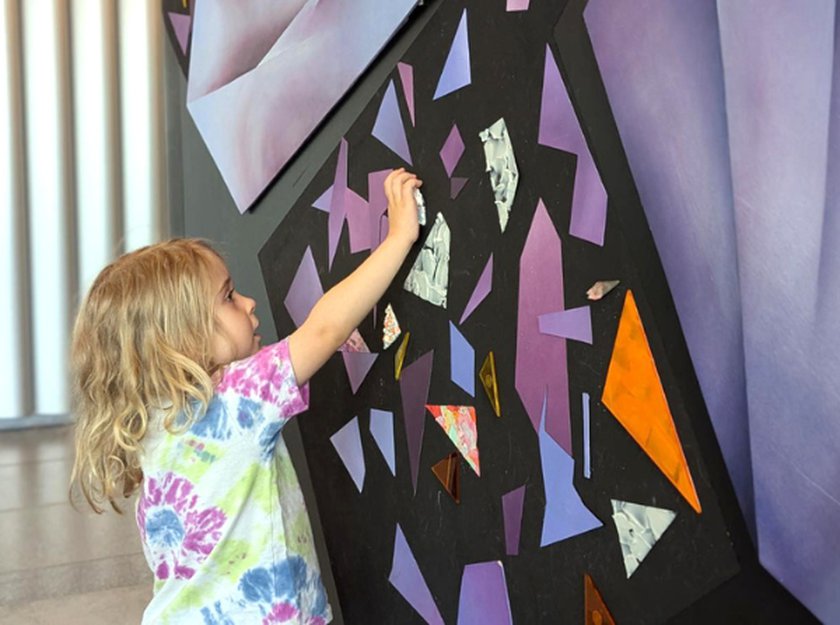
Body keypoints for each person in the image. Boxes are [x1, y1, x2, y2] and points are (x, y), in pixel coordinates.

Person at [70, 169, 422, 624]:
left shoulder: (154, 418)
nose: (250, 304)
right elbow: (324, 329)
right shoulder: (237, 399)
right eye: (229, 297)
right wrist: (398, 237)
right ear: (182, 338)